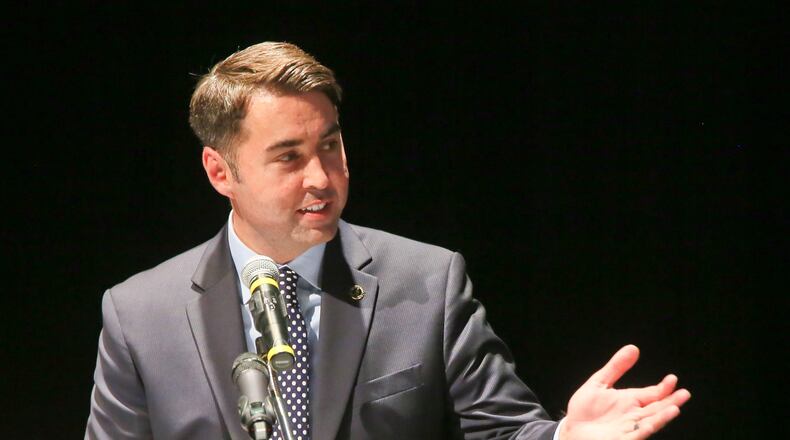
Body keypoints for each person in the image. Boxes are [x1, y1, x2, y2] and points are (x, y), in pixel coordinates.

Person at [85, 41, 690, 440]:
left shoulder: (428, 282)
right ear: (221, 173)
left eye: (329, 144)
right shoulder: (140, 313)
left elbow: (502, 431)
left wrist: (563, 437)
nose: (321, 177)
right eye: (288, 157)